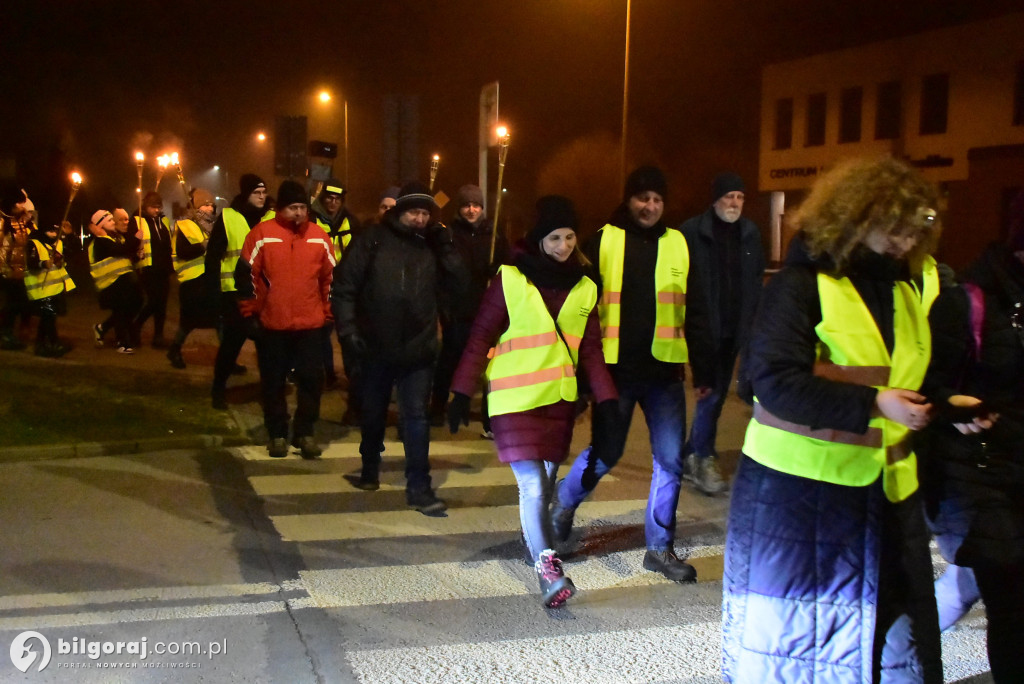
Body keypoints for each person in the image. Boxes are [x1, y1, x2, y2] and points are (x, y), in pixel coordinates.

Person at [721, 157, 943, 683]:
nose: (905, 241)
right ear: (855, 218)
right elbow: (771, 381)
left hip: (889, 501)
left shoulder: (906, 289)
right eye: (894, 227)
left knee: (898, 655)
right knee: (805, 656)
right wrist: (873, 403)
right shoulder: (801, 286)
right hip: (801, 503)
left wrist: (948, 405)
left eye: (916, 228)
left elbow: (912, 375)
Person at [448, 196, 616, 608]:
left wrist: (607, 398)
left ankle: (538, 546)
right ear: (539, 240)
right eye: (554, 237)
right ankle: (549, 572)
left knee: (542, 482)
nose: (562, 245)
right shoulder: (509, 279)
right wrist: (461, 392)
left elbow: (591, 351)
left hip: (558, 402)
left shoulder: (585, 286)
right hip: (514, 399)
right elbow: (480, 337)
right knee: (533, 486)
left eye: (569, 237)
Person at [550, 165, 713, 582]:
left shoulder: (679, 242)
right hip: (615, 370)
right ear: (629, 199)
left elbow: (693, 308)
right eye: (643, 198)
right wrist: (583, 375)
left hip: (664, 372)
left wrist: (705, 366)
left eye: (658, 199)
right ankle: (564, 504)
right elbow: (580, 307)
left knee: (670, 462)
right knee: (606, 454)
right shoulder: (604, 239)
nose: (651, 206)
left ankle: (659, 548)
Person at [917, 190, 1024, 681]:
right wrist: (949, 407)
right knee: (1010, 600)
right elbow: (923, 385)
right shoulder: (967, 302)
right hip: (980, 476)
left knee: (969, 589)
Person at [333, 181, 469, 516]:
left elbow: (461, 285)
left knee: (416, 418)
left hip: (419, 349)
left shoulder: (432, 246)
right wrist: (349, 331)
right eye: (414, 212)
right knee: (374, 411)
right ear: (399, 211)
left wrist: (447, 248)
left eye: (426, 213)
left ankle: (420, 487)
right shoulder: (373, 239)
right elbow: (345, 287)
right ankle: (369, 466)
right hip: (376, 345)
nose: (420, 219)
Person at [679, 172, 765, 495]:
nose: (734, 203)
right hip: (703, 328)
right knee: (710, 393)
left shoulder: (750, 233)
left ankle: (692, 452)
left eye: (740, 197)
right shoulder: (692, 232)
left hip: (734, 329)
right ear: (715, 199)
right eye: (729, 197)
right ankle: (702, 456)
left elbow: (755, 277)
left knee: (714, 396)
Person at [235, 180, 334, 459]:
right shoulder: (262, 235)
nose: (299, 213)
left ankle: (304, 432)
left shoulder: (319, 237)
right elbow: (245, 276)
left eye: (302, 207)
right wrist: (250, 312)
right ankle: (277, 432)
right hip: (273, 325)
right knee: (273, 382)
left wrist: (328, 314)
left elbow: (331, 279)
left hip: (310, 325)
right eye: (293, 208)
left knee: (312, 380)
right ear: (280, 209)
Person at [430, 183, 509, 432]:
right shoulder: (451, 235)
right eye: (466, 205)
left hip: (487, 311)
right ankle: (438, 406)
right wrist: (446, 310)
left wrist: (496, 268)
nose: (471, 210)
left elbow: (508, 269)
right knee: (450, 361)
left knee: (489, 366)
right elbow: (441, 274)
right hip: (459, 310)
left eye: (476, 205)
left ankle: (489, 416)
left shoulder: (494, 235)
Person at [206, 174, 273, 409]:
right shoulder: (228, 217)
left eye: (264, 192)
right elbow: (213, 258)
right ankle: (218, 390)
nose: (262, 197)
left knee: (266, 347)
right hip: (233, 293)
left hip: (264, 295)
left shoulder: (271, 217)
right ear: (246, 194)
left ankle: (269, 390)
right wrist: (213, 293)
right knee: (232, 345)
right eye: (257, 193)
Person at [312, 179, 361, 389]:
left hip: (344, 286)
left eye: (337, 199)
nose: (333, 203)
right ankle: (328, 374)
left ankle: (352, 377)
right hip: (318, 286)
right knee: (321, 333)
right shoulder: (311, 220)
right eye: (329, 198)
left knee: (346, 332)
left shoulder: (351, 221)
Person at [166, 188, 218, 369]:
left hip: (207, 280)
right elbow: (183, 252)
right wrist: (203, 246)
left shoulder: (209, 227)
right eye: (205, 205)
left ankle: (228, 358)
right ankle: (174, 350)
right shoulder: (185, 226)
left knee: (221, 320)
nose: (210, 209)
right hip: (191, 282)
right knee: (188, 322)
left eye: (212, 205)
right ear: (196, 207)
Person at [24, 214, 75, 356]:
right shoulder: (34, 243)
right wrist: (43, 264)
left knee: (48, 318)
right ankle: (53, 343)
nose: (53, 234)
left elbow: (72, 251)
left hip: (53, 289)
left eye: (55, 231)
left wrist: (69, 235)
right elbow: (31, 263)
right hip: (40, 290)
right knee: (49, 318)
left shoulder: (56, 243)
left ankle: (41, 345)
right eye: (51, 231)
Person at [132, 191, 173, 348]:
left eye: (159, 207)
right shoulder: (138, 221)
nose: (156, 210)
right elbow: (132, 243)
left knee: (162, 304)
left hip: (163, 268)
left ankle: (158, 336)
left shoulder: (163, 221)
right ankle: (137, 325)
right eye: (153, 207)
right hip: (148, 268)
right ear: (145, 207)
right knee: (154, 301)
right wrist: (137, 244)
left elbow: (168, 244)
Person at [0, 182, 35, 350]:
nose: (23, 206)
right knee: (12, 303)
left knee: (21, 303)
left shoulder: (20, 220)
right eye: (20, 202)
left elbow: (28, 240)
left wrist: (29, 223)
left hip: (20, 271)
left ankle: (13, 332)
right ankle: (6, 334)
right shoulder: (2, 221)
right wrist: (5, 270)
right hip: (6, 272)